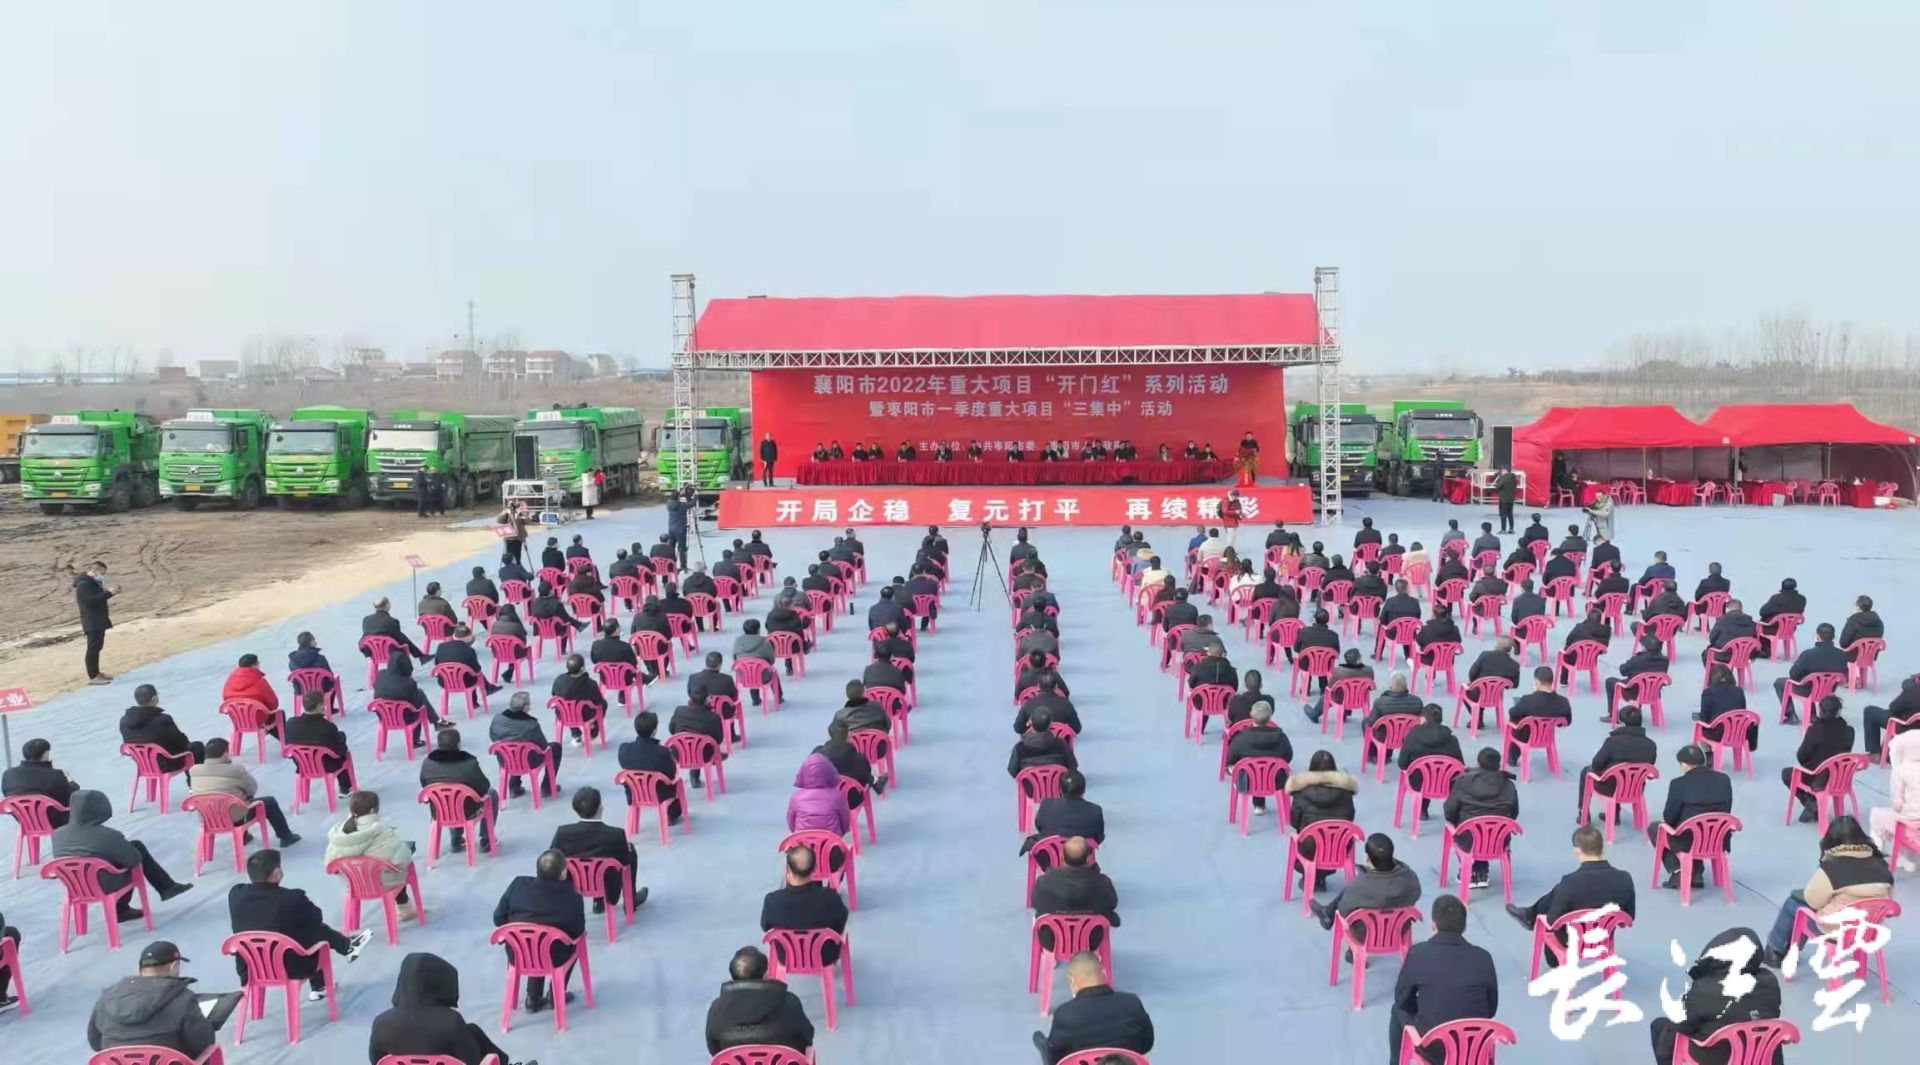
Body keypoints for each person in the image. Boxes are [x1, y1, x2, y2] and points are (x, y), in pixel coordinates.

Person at [229, 848, 369, 993]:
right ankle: (344, 949)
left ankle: (337, 961)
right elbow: (316, 917)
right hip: (290, 968)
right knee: (312, 929)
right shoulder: (291, 898)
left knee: (293, 930)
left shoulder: (235, 894)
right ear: (277, 874)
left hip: (250, 968)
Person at [1761, 814, 1893, 966]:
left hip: (1834, 929)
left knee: (1793, 904)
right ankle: (1789, 949)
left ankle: (1776, 950)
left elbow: (1812, 901)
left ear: (1830, 840)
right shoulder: (1881, 865)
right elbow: (1889, 904)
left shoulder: (1832, 868)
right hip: (1867, 929)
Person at [369, 952, 532, 1065]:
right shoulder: (451, 1022)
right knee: (471, 1032)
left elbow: (377, 1060)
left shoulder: (381, 1023)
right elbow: (472, 1061)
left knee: (472, 1031)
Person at [1390, 896, 1498, 1065]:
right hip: (1473, 1045)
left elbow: (1402, 999)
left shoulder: (1418, 953)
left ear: (1433, 925)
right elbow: (1490, 1008)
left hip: (1434, 1049)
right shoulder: (1483, 957)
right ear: (1463, 926)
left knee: (1397, 1010)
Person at [1649, 927, 1780, 1065]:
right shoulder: (1769, 982)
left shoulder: (1704, 989)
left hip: (1718, 1058)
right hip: (1762, 1056)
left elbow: (1680, 1025)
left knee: (1660, 1026)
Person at [53, 790, 192, 919]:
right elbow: (134, 859)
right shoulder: (107, 835)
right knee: (134, 851)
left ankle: (164, 888)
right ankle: (129, 905)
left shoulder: (57, 834)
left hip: (74, 885)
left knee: (112, 856)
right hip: (106, 884)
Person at [86, 941, 228, 1059]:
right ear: (174, 967)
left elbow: (95, 1043)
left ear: (139, 969)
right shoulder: (183, 999)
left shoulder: (106, 998)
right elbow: (203, 1044)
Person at [492, 850, 586, 1013]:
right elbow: (576, 932)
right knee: (570, 943)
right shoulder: (572, 896)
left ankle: (533, 998)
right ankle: (556, 995)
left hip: (518, 953)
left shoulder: (518, 885)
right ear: (563, 873)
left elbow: (498, 918)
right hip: (554, 957)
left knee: (532, 940)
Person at [1504, 823, 1637, 934]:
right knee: (1560, 892)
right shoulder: (1625, 879)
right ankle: (1531, 913)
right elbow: (1628, 918)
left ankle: (1531, 914)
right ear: (1602, 849)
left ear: (1577, 851)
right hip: (1604, 937)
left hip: (1572, 940)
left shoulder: (1570, 882)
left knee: (1559, 893)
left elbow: (1552, 920)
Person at [1031, 952, 1156, 1064]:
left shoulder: (1065, 1015)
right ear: (1103, 973)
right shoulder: (1132, 1003)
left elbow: (1054, 1059)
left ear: (1072, 980)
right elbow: (1147, 1044)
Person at [704, 946, 815, 1057]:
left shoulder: (717, 1009)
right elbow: (807, 1038)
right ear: (765, 974)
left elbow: (714, 1049)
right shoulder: (789, 1002)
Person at [189, 738, 302, 847]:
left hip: (208, 817)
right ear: (225, 754)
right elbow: (252, 788)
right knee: (267, 802)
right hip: (235, 817)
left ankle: (243, 836)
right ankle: (286, 837)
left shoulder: (194, 770)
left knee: (235, 799)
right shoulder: (236, 770)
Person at [549, 786, 645, 912]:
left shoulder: (562, 833)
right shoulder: (615, 834)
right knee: (629, 852)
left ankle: (599, 902)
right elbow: (624, 861)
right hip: (606, 885)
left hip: (574, 885)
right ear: (600, 807)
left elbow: (552, 859)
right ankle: (630, 901)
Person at [326, 791, 419, 921]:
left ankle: (352, 922)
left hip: (352, 883)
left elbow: (330, 864)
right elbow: (402, 859)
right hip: (381, 883)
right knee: (402, 865)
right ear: (373, 810)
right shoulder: (382, 833)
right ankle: (405, 909)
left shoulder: (339, 833)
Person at [1652, 746, 1734, 888]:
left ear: (1684, 764)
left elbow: (1669, 818)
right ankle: (1696, 872)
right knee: (1695, 827)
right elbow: (1727, 809)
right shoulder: (1724, 780)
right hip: (1717, 838)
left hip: (1688, 840)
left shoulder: (1678, 784)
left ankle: (1679, 871)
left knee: (1655, 828)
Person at [760, 843, 851, 967]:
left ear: (787, 870)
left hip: (786, 956)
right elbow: (841, 922)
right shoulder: (831, 897)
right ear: (814, 869)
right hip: (825, 955)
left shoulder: (772, 900)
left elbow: (766, 927)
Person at [1310, 832, 1422, 930]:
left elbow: (1344, 910)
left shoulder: (1359, 885)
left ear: (1367, 858)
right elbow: (1415, 895)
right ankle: (1327, 912)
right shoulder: (1411, 877)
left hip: (1365, 933)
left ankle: (1328, 914)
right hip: (1399, 929)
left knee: (1351, 898)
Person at [1444, 748, 1519, 889]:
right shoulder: (1509, 785)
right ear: (1498, 765)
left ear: (1478, 764)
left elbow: (1449, 812)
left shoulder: (1462, 783)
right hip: (1498, 840)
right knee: (1484, 830)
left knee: (1467, 829)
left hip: (1468, 839)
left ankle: (1470, 871)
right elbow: (1514, 814)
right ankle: (1481, 870)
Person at [1285, 750, 1358, 891]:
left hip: (1310, 848)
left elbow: (1294, 822)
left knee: (1304, 840)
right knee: (1329, 841)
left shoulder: (1300, 792)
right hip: (1339, 847)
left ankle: (1311, 877)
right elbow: (1350, 818)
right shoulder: (1346, 793)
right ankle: (1321, 876)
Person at [420, 728, 497, 853]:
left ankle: (456, 839)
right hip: (467, 810)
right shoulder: (469, 763)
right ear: (459, 744)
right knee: (491, 794)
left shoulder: (428, 763)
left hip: (440, 810)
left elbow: (424, 784)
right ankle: (486, 839)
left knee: (448, 798)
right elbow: (484, 786)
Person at [1783, 694, 1855, 821]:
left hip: (1817, 778)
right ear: (1838, 711)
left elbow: (1801, 756)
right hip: (1840, 777)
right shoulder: (1849, 731)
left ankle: (1811, 803)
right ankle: (1812, 803)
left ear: (1820, 711)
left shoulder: (1814, 730)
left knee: (1787, 773)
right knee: (1822, 768)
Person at [1031, 836, 1119, 935]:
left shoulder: (1043, 882)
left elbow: (1036, 904)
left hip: (1053, 937)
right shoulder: (1103, 883)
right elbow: (1112, 904)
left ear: (1062, 857)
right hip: (1092, 937)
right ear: (1088, 858)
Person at [119, 683, 205, 776]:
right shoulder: (162, 719)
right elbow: (181, 743)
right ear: (154, 698)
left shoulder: (124, 721)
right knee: (197, 747)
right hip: (165, 764)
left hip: (144, 765)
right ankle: (193, 781)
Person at [1397, 705, 1464, 821]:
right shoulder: (1452, 739)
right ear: (1441, 720)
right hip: (1446, 783)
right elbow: (1461, 765)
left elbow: (1402, 764)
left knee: (1421, 773)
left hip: (1418, 783)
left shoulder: (1412, 737)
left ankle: (1422, 810)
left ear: (1423, 719)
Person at [1772, 622, 1848, 724]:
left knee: (1780, 683)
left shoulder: (1808, 654)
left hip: (1807, 690)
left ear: (1817, 636)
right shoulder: (1842, 655)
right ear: (1834, 637)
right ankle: (1812, 715)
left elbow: (1793, 674)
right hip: (1829, 689)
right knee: (1812, 682)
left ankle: (1790, 715)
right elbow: (1844, 674)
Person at [489, 691, 561, 800]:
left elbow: (493, 737)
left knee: (514, 750)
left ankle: (514, 786)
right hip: (529, 761)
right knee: (554, 748)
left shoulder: (497, 720)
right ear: (526, 707)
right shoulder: (531, 725)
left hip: (505, 759)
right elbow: (544, 747)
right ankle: (547, 787)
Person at [1585, 704, 1658, 810]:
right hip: (1636, 788)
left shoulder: (1612, 742)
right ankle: (1615, 813)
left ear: (1623, 724)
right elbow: (1650, 765)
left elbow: (1596, 765)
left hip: (1610, 788)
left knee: (1587, 771)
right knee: (1619, 772)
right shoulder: (1651, 745)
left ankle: (1583, 812)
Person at [616, 711, 684, 824]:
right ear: (654, 731)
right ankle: (672, 814)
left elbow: (624, 765)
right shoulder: (662, 752)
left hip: (634, 793)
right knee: (676, 784)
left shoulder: (624, 749)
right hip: (659, 794)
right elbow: (671, 774)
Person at [1226, 701, 1294, 813]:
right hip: (1277, 781)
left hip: (1247, 783)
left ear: (1251, 715)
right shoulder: (1281, 737)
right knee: (1263, 766)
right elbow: (1289, 756)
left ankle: (1258, 805)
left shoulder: (1240, 739)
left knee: (1248, 768)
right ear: (1270, 717)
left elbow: (1230, 759)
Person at [286, 689, 356, 797]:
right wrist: (342, 736)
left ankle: (304, 797)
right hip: (326, 766)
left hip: (302, 765)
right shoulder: (327, 727)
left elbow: (288, 746)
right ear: (320, 706)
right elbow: (340, 751)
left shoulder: (291, 723)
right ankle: (345, 788)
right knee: (343, 756)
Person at [2, 736, 79, 827]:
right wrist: (70, 781)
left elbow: (6, 795)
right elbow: (69, 797)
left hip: (25, 821)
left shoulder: (8, 774)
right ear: (45, 754)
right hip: (54, 823)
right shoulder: (55, 775)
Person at [1504, 666, 1572, 767]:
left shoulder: (1527, 700)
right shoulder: (1563, 702)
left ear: (1537, 682)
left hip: (1527, 736)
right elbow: (1567, 721)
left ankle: (1512, 758)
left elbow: (1513, 713)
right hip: (1547, 735)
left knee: (1517, 723)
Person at [1026, 769, 1105, 850]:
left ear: (1061, 790)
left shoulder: (1047, 805)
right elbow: (1098, 839)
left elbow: (1039, 826)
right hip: (1082, 856)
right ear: (1084, 790)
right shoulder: (1095, 811)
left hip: (1050, 854)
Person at [376, 650, 446, 730]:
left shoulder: (380, 675)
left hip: (383, 717)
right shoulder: (409, 683)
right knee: (419, 697)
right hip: (405, 719)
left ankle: (436, 721)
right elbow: (417, 705)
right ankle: (435, 722)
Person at [1603, 634, 1669, 720]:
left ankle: (1612, 715)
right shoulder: (1665, 660)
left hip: (1633, 692)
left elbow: (1623, 671)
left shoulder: (1638, 659)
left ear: (1644, 647)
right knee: (1641, 681)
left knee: (1609, 681)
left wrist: (1630, 661)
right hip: (1653, 692)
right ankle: (1645, 714)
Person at [220, 653, 285, 738]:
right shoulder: (260, 681)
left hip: (238, 719)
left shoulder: (229, 681)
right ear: (254, 666)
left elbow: (225, 698)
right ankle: (285, 738)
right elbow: (274, 704)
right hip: (258, 719)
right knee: (279, 714)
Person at [786, 752, 852, 836]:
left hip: (803, 841)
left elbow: (791, 824)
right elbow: (845, 822)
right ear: (829, 772)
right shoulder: (839, 796)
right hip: (831, 841)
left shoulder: (796, 797)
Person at [550, 653, 608, 747]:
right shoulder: (590, 684)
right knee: (603, 704)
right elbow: (598, 701)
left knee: (568, 707)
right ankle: (593, 730)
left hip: (563, 714)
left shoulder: (559, 680)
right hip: (584, 716)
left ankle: (576, 735)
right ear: (582, 668)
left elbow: (554, 694)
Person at [1305, 648, 1373, 724]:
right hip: (1360, 698)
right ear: (1359, 658)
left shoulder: (1339, 671)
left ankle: (1314, 714)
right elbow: (1370, 687)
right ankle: (1344, 714)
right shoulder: (1369, 670)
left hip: (1341, 699)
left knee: (1327, 695)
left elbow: (1330, 687)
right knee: (1350, 691)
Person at [75, 560, 116, 684]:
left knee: (97, 647)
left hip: (98, 620)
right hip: (91, 621)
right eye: (102, 573)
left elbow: (98, 597)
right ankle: (93, 676)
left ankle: (97, 673)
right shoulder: (83, 585)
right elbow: (91, 601)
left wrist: (108, 593)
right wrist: (108, 593)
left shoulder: (93, 583)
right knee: (92, 649)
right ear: (95, 570)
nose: (102, 576)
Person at [434, 623, 503, 697]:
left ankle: (488, 688)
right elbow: (477, 670)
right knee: (473, 672)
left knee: (469, 671)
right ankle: (479, 696)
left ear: (454, 635)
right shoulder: (469, 650)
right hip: (465, 682)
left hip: (444, 682)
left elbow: (437, 665)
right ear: (468, 638)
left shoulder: (441, 646)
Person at [1009, 708, 1078, 776]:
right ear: (1050, 725)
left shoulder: (1019, 748)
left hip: (1030, 783)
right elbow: (1073, 766)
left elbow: (1012, 771)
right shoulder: (1062, 745)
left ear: (1030, 722)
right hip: (1057, 782)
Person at [1754, 578, 1806, 659]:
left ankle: (1764, 650)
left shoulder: (1777, 598)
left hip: (1774, 629)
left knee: (1758, 626)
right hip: (1790, 629)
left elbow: (1762, 612)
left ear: (1782, 587)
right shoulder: (1802, 599)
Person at [363, 596, 428, 661]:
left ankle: (419, 655)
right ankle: (420, 656)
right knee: (401, 638)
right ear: (387, 606)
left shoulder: (366, 620)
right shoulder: (392, 621)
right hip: (390, 653)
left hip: (372, 652)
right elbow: (400, 640)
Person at [1016, 676, 1082, 736]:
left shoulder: (1029, 704)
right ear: (1056, 686)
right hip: (1059, 742)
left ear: (1038, 686)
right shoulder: (1066, 704)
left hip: (1034, 741)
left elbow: (1018, 728)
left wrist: (1031, 728)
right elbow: (1077, 728)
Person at [666, 490, 691, 567]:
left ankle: (671, 565)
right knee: (682, 548)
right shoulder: (682, 505)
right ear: (678, 497)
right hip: (680, 530)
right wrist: (694, 495)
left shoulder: (668, 504)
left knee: (671, 547)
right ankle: (683, 566)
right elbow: (692, 503)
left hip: (671, 529)